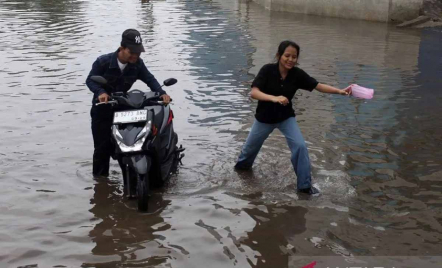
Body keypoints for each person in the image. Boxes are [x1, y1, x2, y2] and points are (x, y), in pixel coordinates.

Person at [235, 40, 351, 195]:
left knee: (300, 146)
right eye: (287, 56)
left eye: (294, 57)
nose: (290, 60)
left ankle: (304, 187)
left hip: (285, 118)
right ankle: (241, 175)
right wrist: (274, 98)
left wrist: (340, 91)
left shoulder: (297, 74)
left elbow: (317, 86)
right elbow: (254, 92)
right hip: (264, 119)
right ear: (279, 55)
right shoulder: (267, 70)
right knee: (247, 155)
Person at [86, 29, 171, 177]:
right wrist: (101, 92)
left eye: (138, 52)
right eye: (132, 52)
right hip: (103, 110)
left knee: (130, 144)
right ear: (122, 48)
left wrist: (162, 93)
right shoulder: (103, 62)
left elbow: (149, 79)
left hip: (123, 109)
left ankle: (133, 178)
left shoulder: (138, 64)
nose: (135, 56)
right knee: (102, 149)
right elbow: (90, 80)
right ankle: (101, 184)